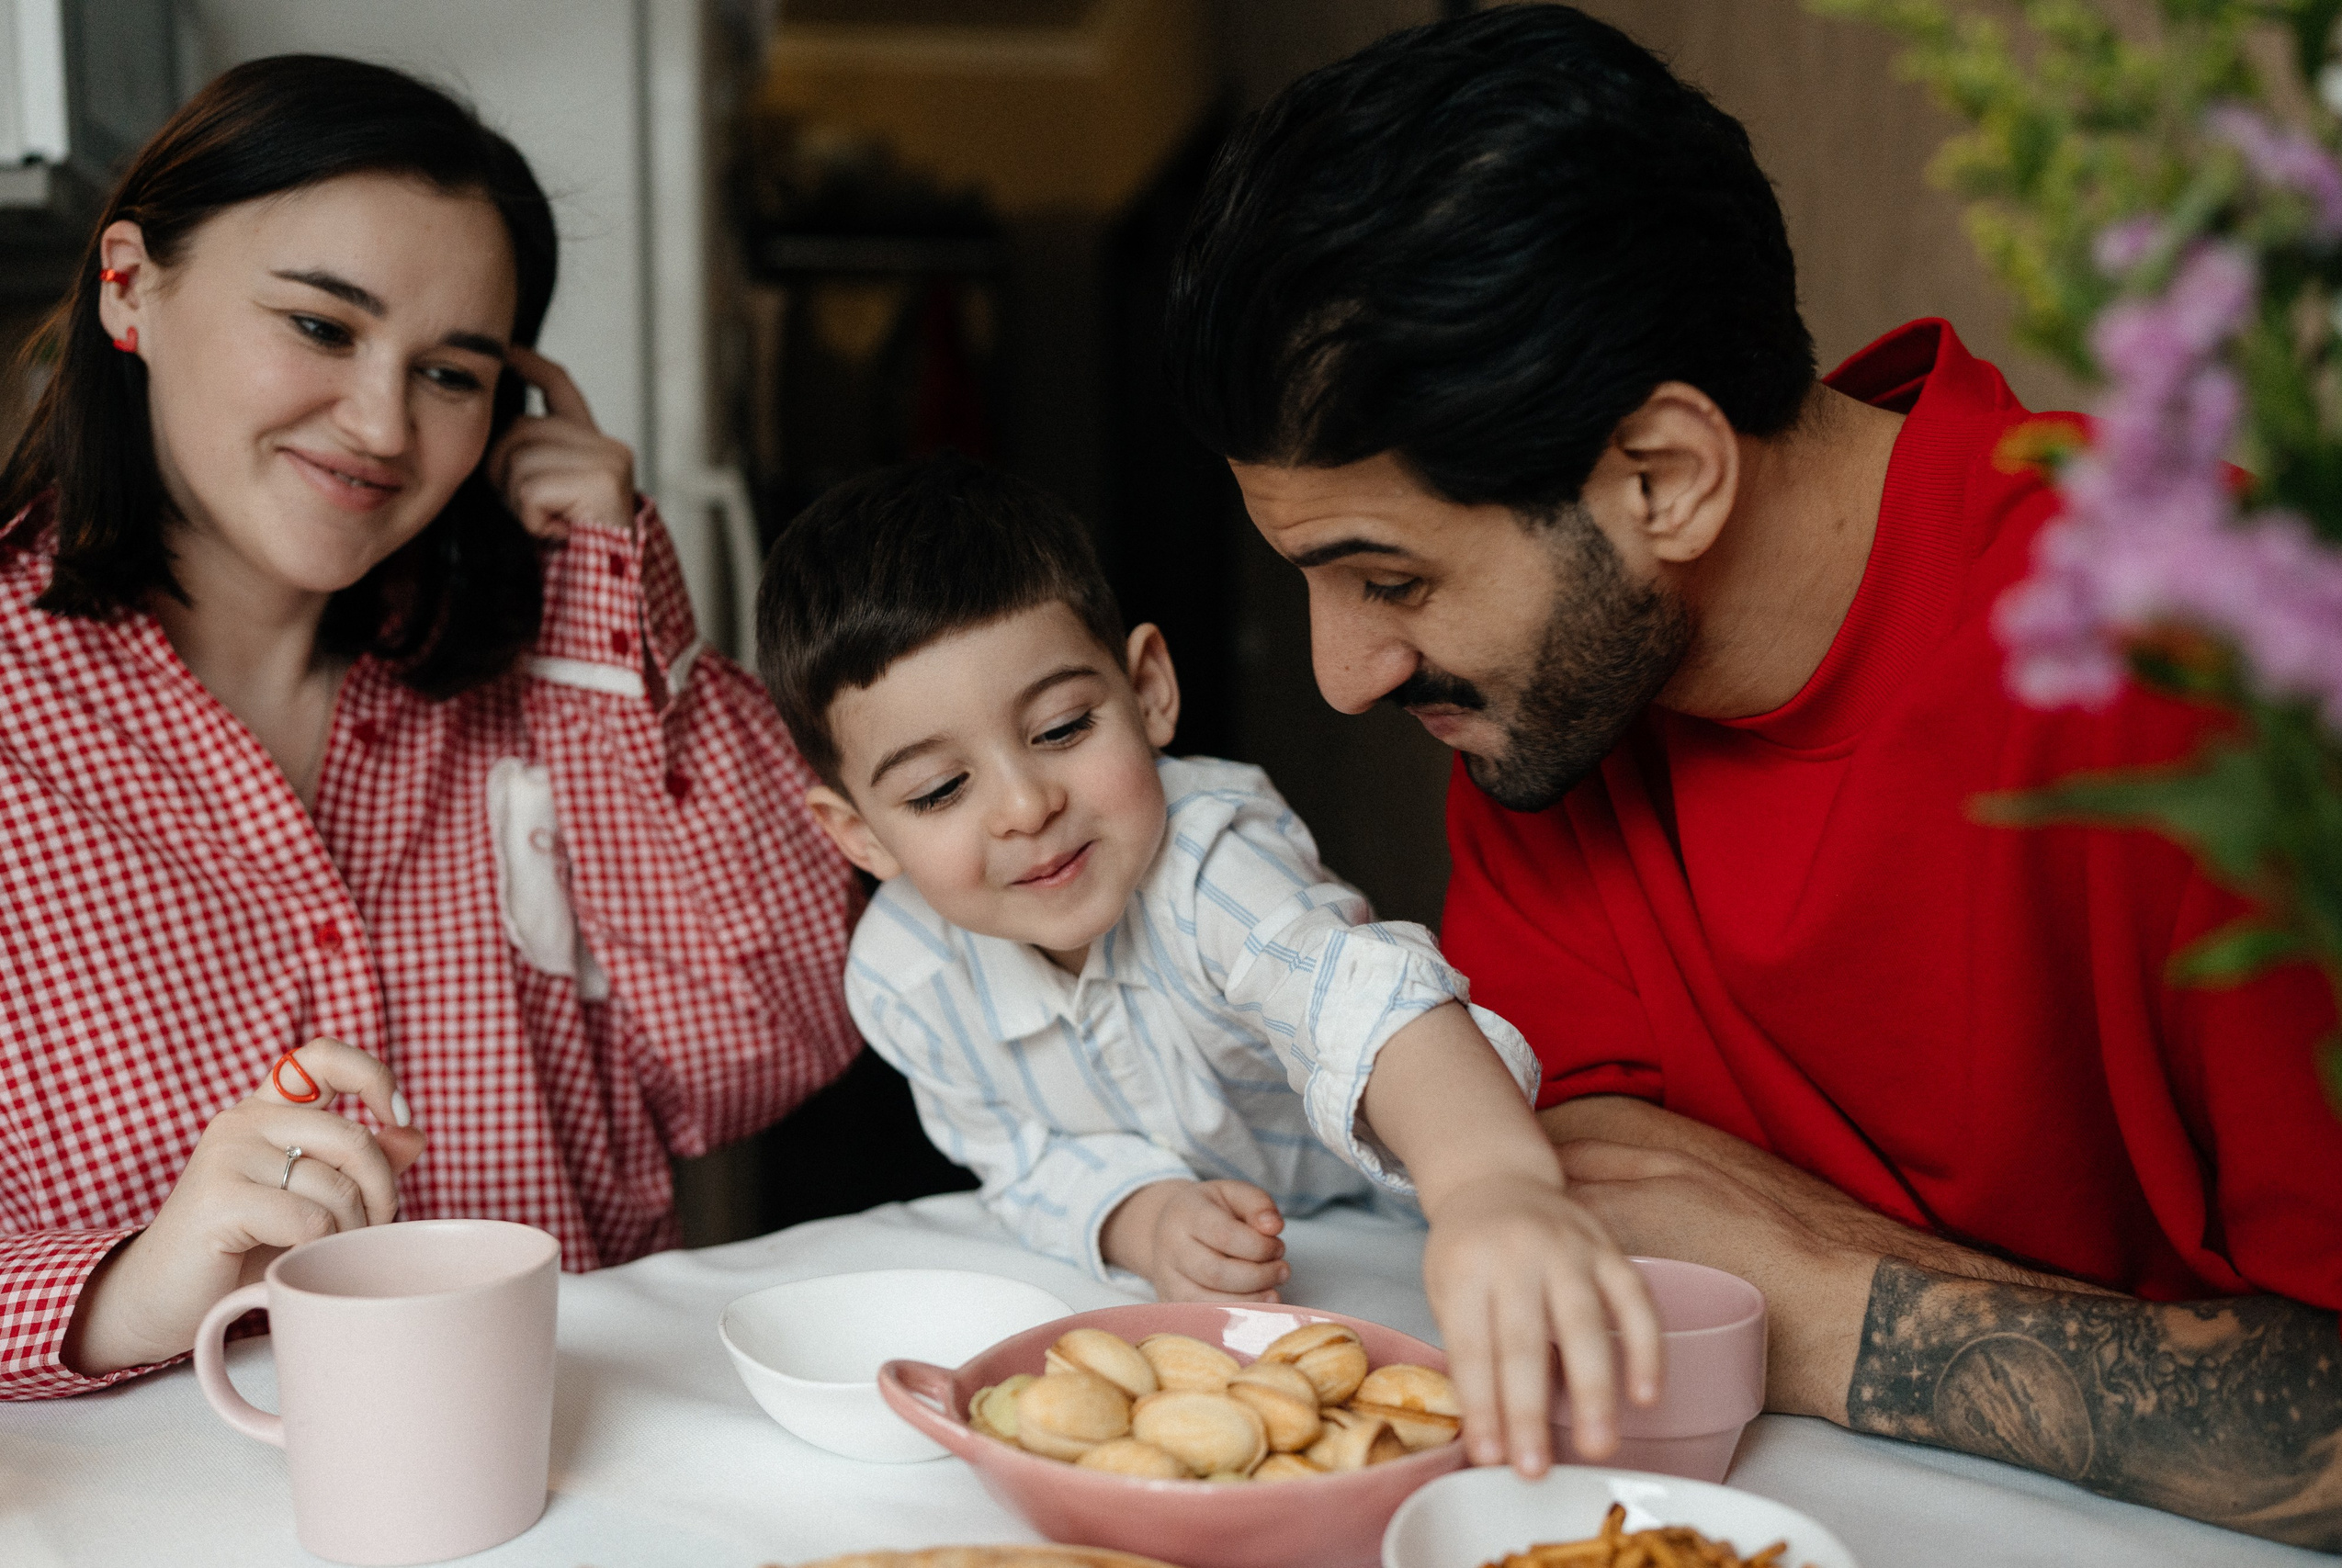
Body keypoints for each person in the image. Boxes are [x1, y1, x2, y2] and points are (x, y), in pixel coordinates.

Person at [1161, 3, 2342, 1551]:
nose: (1343, 674)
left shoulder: (2223, 661)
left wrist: (1817, 1281)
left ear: (1664, 474)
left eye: (1388, 578)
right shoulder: (1554, 722)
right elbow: (1605, 1215)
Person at [0, 56, 861, 1399]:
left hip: (567, 1471)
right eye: (323, 326)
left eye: (452, 373)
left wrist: (609, 594)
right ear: (130, 287)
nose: (381, 424)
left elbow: (760, 1044)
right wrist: (120, 1287)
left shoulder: (540, 658)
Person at [754, 453, 1663, 1474]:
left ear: (1146, 691)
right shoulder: (903, 978)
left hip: (1415, 1236)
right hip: (1231, 1301)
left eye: (1061, 730)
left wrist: (1491, 1186)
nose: (1024, 806)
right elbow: (1018, 1155)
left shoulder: (1211, 865)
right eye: (936, 791)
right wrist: (1141, 1217)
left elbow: (1361, 1002)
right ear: (860, 835)